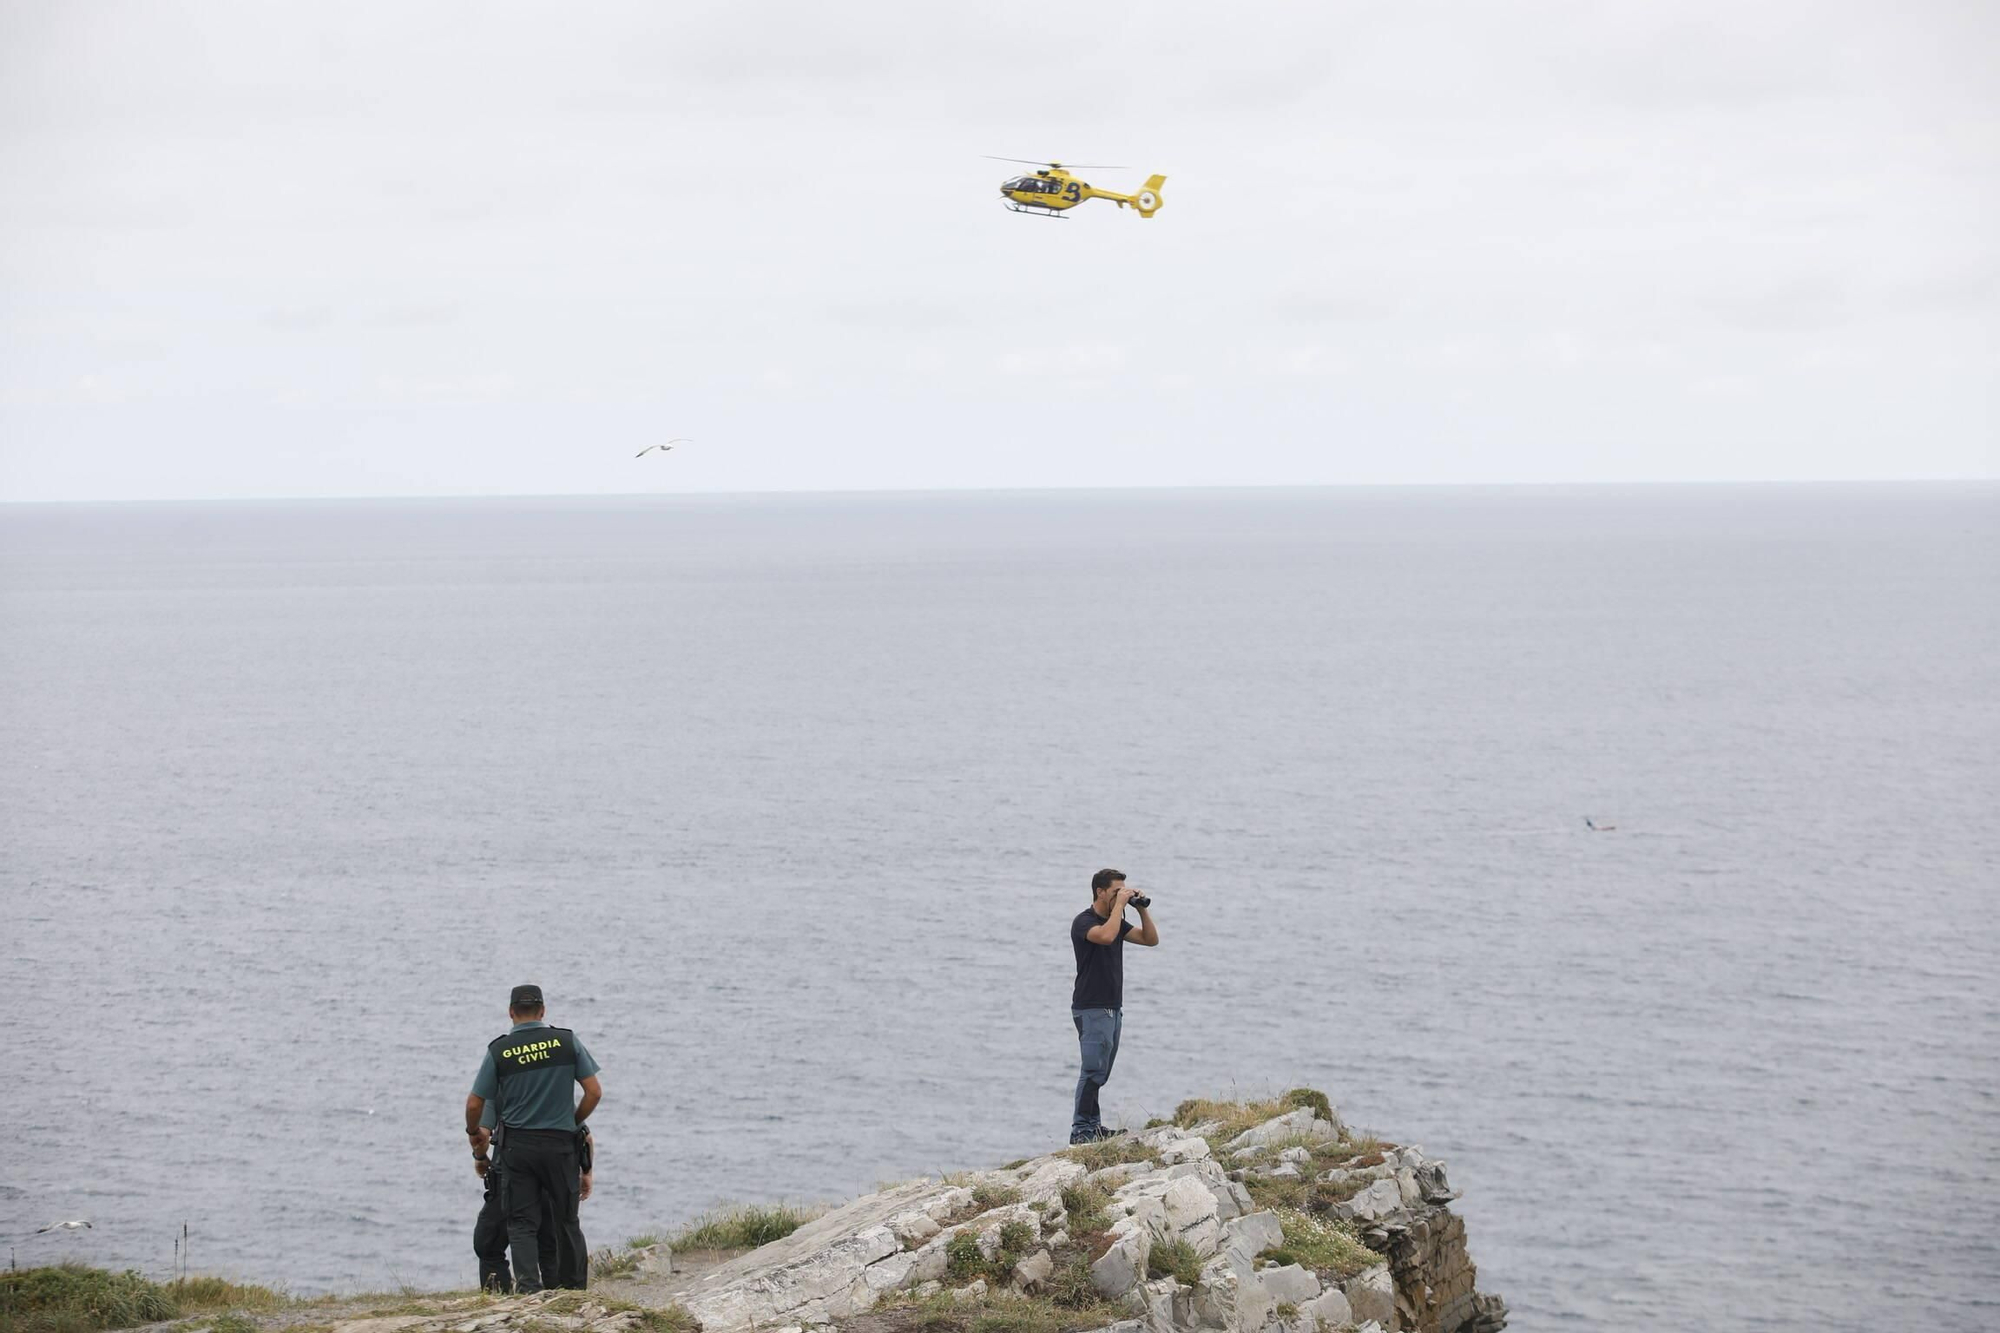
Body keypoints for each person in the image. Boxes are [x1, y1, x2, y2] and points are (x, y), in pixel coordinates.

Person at [465, 984, 603, 1293]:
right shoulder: (566, 1042)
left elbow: (476, 1108)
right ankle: (574, 1292)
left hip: (518, 1152)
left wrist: (476, 1146)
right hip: (560, 1149)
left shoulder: (500, 1054)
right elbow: (593, 1092)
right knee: (566, 1224)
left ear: (511, 1013)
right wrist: (573, 1126)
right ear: (543, 1011)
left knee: (519, 1225)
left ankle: (527, 1292)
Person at [1069, 868, 1158, 1143]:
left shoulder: (1115, 923)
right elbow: (1106, 937)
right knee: (1093, 1070)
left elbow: (1150, 939)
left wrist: (1140, 909)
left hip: (1112, 1007)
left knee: (1102, 1071)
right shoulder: (1084, 922)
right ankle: (1081, 1131)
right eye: (1115, 891)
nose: (1120, 895)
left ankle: (1093, 1126)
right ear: (1100, 892)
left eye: (1123, 890)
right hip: (1091, 1007)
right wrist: (1119, 907)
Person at [472, 1107, 594, 1291]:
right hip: (551, 1179)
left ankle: (502, 1300)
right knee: (550, 1251)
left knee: (488, 1244)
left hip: (511, 1177)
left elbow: (481, 1135)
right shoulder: (552, 1087)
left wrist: (480, 1158)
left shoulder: (500, 1083)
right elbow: (586, 1137)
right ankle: (557, 1304)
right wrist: (586, 1173)